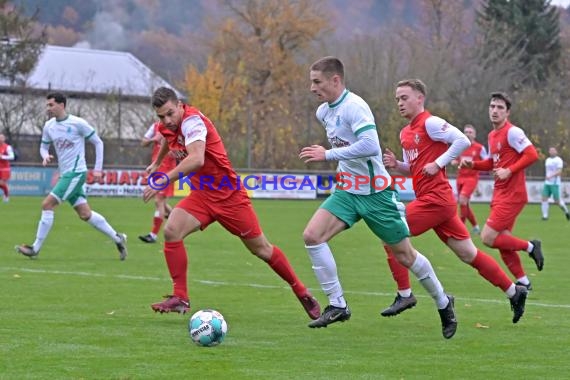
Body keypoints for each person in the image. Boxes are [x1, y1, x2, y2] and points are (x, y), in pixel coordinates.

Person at [299, 57, 457, 339]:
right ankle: (337, 305)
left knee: (405, 255)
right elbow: (349, 147)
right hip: (348, 191)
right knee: (312, 235)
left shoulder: (355, 107)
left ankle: (444, 303)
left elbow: (370, 146)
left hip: (376, 194)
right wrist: (337, 161)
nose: (312, 88)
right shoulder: (323, 112)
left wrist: (328, 154)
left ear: (335, 80)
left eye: (317, 82)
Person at [142, 87, 321, 320]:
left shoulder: (192, 122)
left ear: (180, 106)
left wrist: (163, 178)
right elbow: (167, 138)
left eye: (170, 114)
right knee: (172, 230)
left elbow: (196, 159)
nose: (167, 120)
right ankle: (180, 297)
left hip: (230, 197)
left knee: (262, 250)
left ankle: (301, 291)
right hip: (203, 195)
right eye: (161, 117)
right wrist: (157, 163)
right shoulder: (168, 125)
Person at [380, 80, 528, 324]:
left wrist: (439, 163)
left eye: (404, 98)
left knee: (389, 231)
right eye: (397, 99)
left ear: (420, 98)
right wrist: (398, 166)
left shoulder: (431, 122)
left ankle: (405, 294)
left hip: (436, 199)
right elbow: (415, 170)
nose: (400, 103)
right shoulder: (405, 133)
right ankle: (514, 291)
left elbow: (462, 141)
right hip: (436, 202)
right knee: (469, 254)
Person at [15, 92, 128, 260]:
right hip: (65, 174)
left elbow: (98, 142)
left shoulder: (78, 123)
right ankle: (118, 238)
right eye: (47, 105)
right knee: (85, 214)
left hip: (76, 173)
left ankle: (35, 248)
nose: (48, 108)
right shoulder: (49, 126)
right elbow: (43, 146)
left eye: (51, 105)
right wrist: (45, 156)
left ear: (62, 105)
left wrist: (98, 169)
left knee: (47, 204)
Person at [460, 92, 544, 291]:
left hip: (513, 194)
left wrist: (510, 170)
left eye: (500, 107)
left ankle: (531, 247)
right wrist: (474, 165)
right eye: (492, 106)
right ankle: (524, 281)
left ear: (507, 112)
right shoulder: (491, 135)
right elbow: (492, 162)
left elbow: (532, 154)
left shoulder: (513, 132)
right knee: (503, 240)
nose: (495, 111)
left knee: (488, 237)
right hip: (500, 194)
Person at [138, 121, 176, 243]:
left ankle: (153, 235)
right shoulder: (155, 126)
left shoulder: (176, 127)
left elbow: (178, 151)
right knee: (162, 204)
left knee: (159, 201)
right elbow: (143, 142)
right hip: (156, 169)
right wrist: (154, 139)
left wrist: (171, 150)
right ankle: (179, 223)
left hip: (168, 172)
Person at [452, 124, 488, 234]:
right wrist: (454, 162)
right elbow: (454, 159)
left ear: (474, 135)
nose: (468, 134)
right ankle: (476, 227)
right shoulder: (460, 146)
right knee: (464, 204)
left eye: (470, 132)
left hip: (472, 178)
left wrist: (474, 164)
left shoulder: (480, 148)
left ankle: (460, 228)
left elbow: (487, 161)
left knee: (462, 200)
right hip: (460, 177)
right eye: (466, 132)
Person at [541, 146, 569, 221]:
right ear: (549, 152)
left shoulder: (558, 160)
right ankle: (545, 216)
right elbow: (547, 170)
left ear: (556, 152)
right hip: (547, 183)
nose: (552, 152)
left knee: (557, 201)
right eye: (550, 150)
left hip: (555, 183)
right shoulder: (547, 160)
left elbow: (559, 171)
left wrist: (550, 176)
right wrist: (547, 177)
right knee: (544, 199)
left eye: (553, 150)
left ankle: (566, 212)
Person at [0, 133, 15, 202]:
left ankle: (6, 196)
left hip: (5, 169)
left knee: (2, 183)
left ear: (4, 139)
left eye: (2, 138)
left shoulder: (7, 147)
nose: (0, 139)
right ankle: (6, 194)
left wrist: (2, 157)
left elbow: (12, 157)